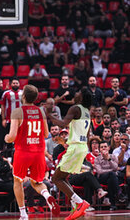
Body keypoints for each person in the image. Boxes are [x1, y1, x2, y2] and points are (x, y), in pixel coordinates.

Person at [5, 85, 60, 219]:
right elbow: (46, 133)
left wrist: (6, 138)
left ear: (23, 96)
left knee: (17, 181)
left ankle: (23, 214)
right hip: (39, 152)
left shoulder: (17, 112)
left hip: (23, 151)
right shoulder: (40, 112)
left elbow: (11, 137)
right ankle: (47, 196)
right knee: (37, 182)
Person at [46, 87, 93, 219]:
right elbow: (87, 133)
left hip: (76, 147)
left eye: (78, 92)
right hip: (82, 147)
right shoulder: (87, 112)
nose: (76, 93)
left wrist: (49, 114)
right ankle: (75, 206)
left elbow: (62, 124)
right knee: (62, 177)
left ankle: (80, 202)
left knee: (56, 178)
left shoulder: (75, 108)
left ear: (82, 97)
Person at [94, 141, 119, 210]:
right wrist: (111, 171)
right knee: (112, 174)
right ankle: (119, 193)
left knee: (111, 180)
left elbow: (116, 168)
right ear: (99, 149)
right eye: (102, 147)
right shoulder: (97, 159)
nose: (103, 148)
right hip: (101, 178)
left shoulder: (113, 157)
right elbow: (100, 171)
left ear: (108, 148)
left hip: (112, 179)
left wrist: (109, 159)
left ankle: (113, 205)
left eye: (105, 147)